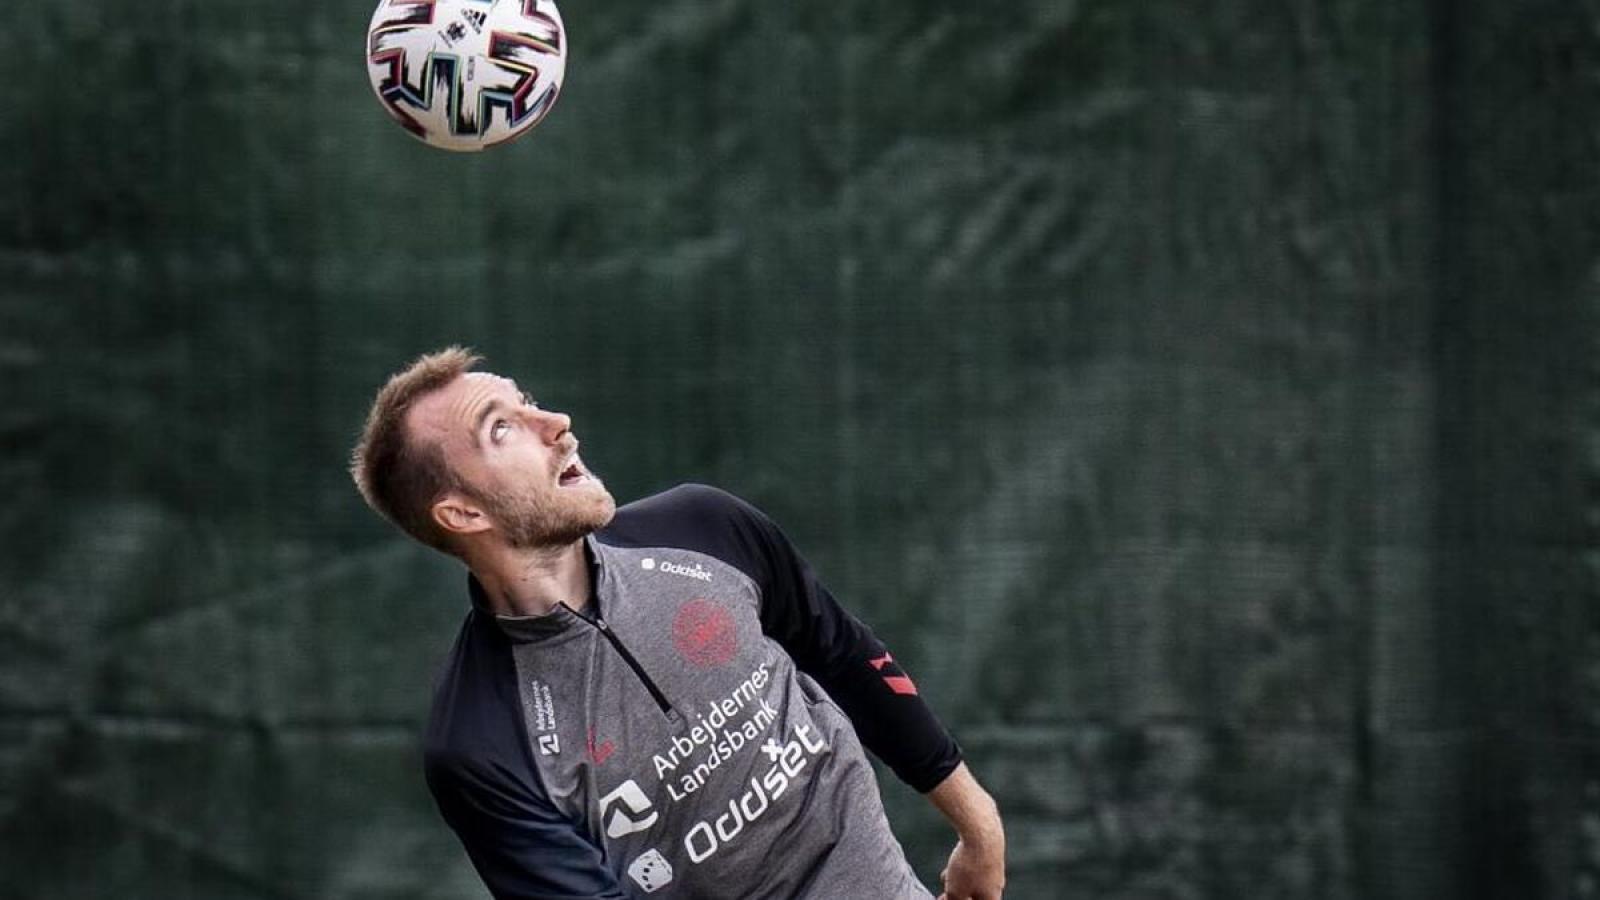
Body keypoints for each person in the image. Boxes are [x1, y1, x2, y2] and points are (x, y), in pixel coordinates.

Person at [349, 347, 1005, 899]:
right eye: (501, 429)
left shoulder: (704, 526)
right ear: (463, 515)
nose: (556, 423)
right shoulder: (480, 745)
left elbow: (845, 655)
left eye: (529, 400)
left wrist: (980, 828)